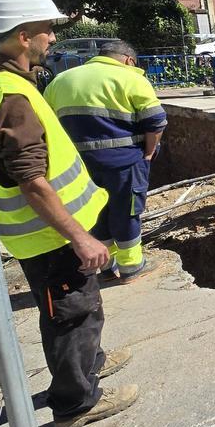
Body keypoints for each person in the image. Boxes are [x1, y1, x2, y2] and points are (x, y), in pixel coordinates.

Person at [0, 0, 138, 427]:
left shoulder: (5, 87)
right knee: (69, 317)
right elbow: (31, 181)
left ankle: (92, 364)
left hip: (50, 235)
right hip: (50, 238)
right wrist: (80, 236)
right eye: (47, 30)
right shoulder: (14, 99)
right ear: (23, 35)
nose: (52, 38)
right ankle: (75, 404)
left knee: (84, 309)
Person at [45, 40, 166, 281]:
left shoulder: (60, 81)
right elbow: (156, 121)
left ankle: (106, 266)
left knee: (95, 211)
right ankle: (131, 265)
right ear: (129, 60)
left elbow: (47, 123)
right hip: (123, 161)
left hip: (78, 165)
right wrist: (150, 152)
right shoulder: (130, 78)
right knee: (126, 211)